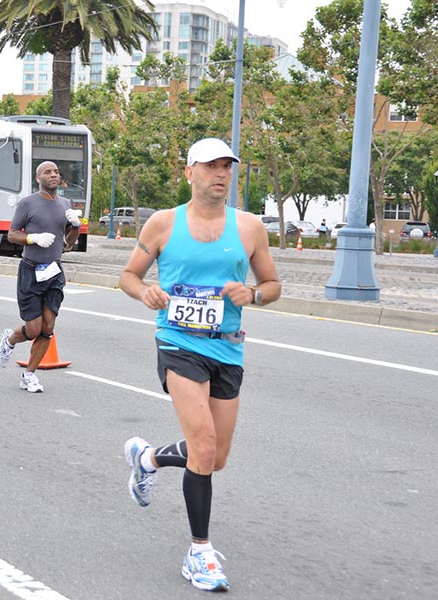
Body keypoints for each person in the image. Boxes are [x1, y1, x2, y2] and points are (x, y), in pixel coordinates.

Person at [119, 138, 281, 592]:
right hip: (178, 342)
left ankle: (148, 458)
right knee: (204, 446)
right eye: (211, 166)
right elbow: (128, 276)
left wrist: (254, 295)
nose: (221, 174)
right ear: (190, 172)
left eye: (227, 166)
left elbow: (273, 284)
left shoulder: (249, 227)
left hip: (227, 348)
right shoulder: (163, 223)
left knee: (215, 457)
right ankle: (199, 552)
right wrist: (145, 292)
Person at [0, 161, 81, 393]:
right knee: (33, 329)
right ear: (38, 178)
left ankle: (29, 375)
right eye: (47, 172)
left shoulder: (65, 204)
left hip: (54, 271)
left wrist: (75, 226)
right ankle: (10, 340)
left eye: (56, 172)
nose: (53, 175)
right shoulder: (27, 203)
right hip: (31, 270)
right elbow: (12, 234)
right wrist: (33, 238)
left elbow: (68, 243)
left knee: (48, 327)